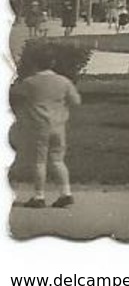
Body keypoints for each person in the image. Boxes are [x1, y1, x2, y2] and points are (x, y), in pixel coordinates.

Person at [10, 58, 82, 209]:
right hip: (58, 125)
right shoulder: (64, 81)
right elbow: (76, 101)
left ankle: (39, 196)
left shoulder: (29, 82)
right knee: (57, 160)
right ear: (53, 64)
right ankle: (65, 193)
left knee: (39, 161)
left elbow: (16, 98)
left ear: (36, 64)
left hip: (37, 125)